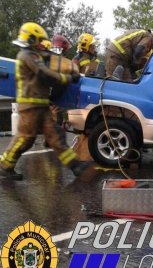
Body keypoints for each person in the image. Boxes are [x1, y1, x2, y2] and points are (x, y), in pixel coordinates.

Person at [0, 22, 89, 180]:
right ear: (31, 38)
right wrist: (67, 78)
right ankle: (4, 166)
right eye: (39, 40)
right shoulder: (26, 55)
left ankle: (75, 166)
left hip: (39, 104)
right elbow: (43, 73)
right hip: (30, 106)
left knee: (55, 134)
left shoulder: (33, 54)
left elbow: (49, 62)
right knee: (25, 139)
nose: (41, 44)